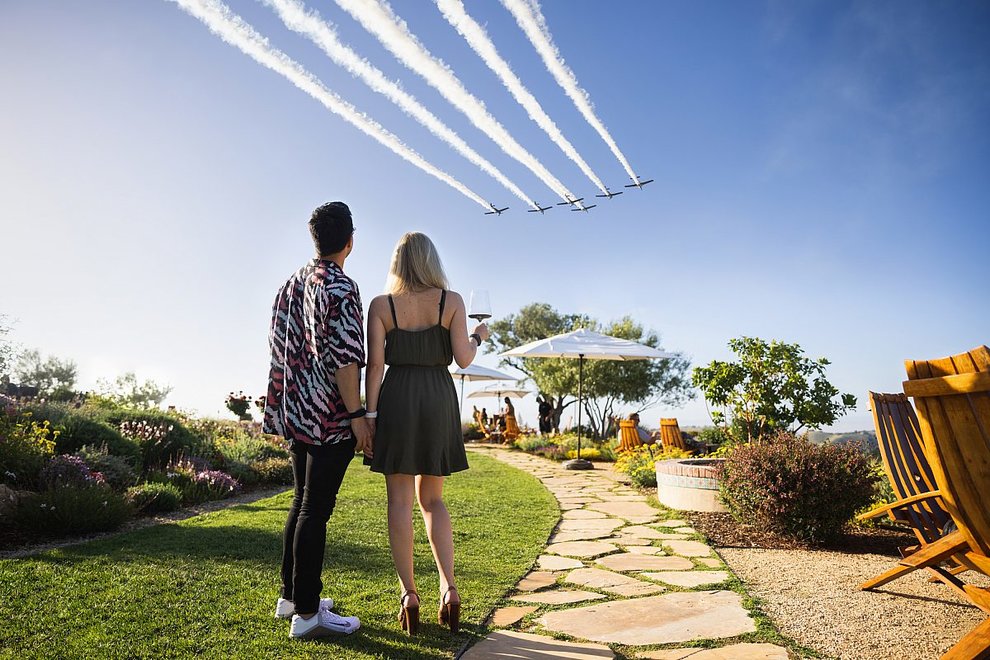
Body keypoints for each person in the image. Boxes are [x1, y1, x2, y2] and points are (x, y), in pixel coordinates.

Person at [364, 231, 489, 636]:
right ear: (432, 260)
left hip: (397, 397)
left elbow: (375, 367)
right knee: (432, 500)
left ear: (397, 263)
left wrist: (370, 415)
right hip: (438, 397)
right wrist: (477, 336)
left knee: (399, 501)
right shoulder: (450, 301)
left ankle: (409, 596)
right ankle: (450, 590)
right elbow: (464, 359)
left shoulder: (381, 306)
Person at [263, 202, 372, 640]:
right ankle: (307, 613)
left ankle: (291, 596)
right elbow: (346, 360)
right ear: (350, 240)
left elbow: (277, 347)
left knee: (300, 501)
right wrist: (358, 415)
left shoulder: (291, 283)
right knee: (315, 510)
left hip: (295, 412)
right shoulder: (342, 287)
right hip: (329, 417)